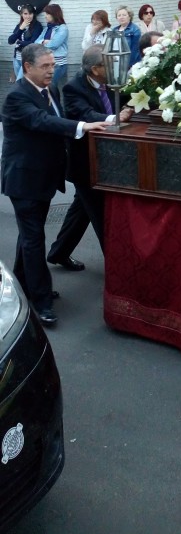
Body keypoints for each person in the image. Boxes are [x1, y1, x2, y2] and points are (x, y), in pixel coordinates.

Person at [1, 43, 108, 326]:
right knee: (34, 238)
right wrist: (82, 126)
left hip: (45, 177)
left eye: (52, 65)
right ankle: (41, 301)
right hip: (24, 180)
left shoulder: (52, 90)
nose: (52, 71)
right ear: (27, 68)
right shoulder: (16, 98)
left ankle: (22, 284)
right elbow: (43, 121)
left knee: (29, 235)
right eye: (45, 67)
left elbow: (54, 121)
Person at [47, 45, 133, 266]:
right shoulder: (73, 88)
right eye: (109, 63)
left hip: (108, 161)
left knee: (81, 211)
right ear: (95, 69)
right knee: (101, 216)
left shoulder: (112, 81)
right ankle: (118, 269)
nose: (115, 67)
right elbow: (87, 115)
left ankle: (58, 252)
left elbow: (129, 99)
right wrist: (115, 116)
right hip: (87, 165)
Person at [36, 3, 69, 93]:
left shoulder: (62, 28)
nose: (45, 16)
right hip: (46, 62)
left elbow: (54, 44)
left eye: (47, 14)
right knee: (47, 88)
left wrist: (45, 42)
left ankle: (54, 106)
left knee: (51, 88)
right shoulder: (47, 28)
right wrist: (43, 42)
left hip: (58, 64)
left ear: (54, 14)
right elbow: (36, 42)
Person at [8, 3, 43, 79]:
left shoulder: (37, 26)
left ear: (33, 14)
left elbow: (33, 43)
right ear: (21, 14)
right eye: (25, 14)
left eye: (30, 13)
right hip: (17, 57)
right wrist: (21, 29)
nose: (28, 16)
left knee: (20, 81)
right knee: (20, 83)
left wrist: (19, 42)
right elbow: (10, 41)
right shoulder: (20, 25)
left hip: (28, 59)